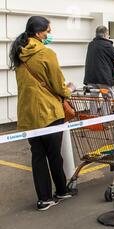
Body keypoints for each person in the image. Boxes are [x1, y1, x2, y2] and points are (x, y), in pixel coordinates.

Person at [9, 16, 76, 211]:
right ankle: (62, 191)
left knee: (38, 155)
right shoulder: (47, 53)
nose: (49, 34)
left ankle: (44, 198)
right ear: (38, 33)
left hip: (28, 113)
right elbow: (58, 84)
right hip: (49, 112)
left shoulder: (19, 53)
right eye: (47, 31)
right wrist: (68, 91)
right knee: (54, 154)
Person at [84, 26, 114, 97]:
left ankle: (94, 109)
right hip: (103, 77)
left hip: (90, 77)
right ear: (104, 35)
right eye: (108, 34)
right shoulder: (106, 45)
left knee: (93, 99)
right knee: (108, 98)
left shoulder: (91, 45)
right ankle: (105, 109)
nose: (108, 36)